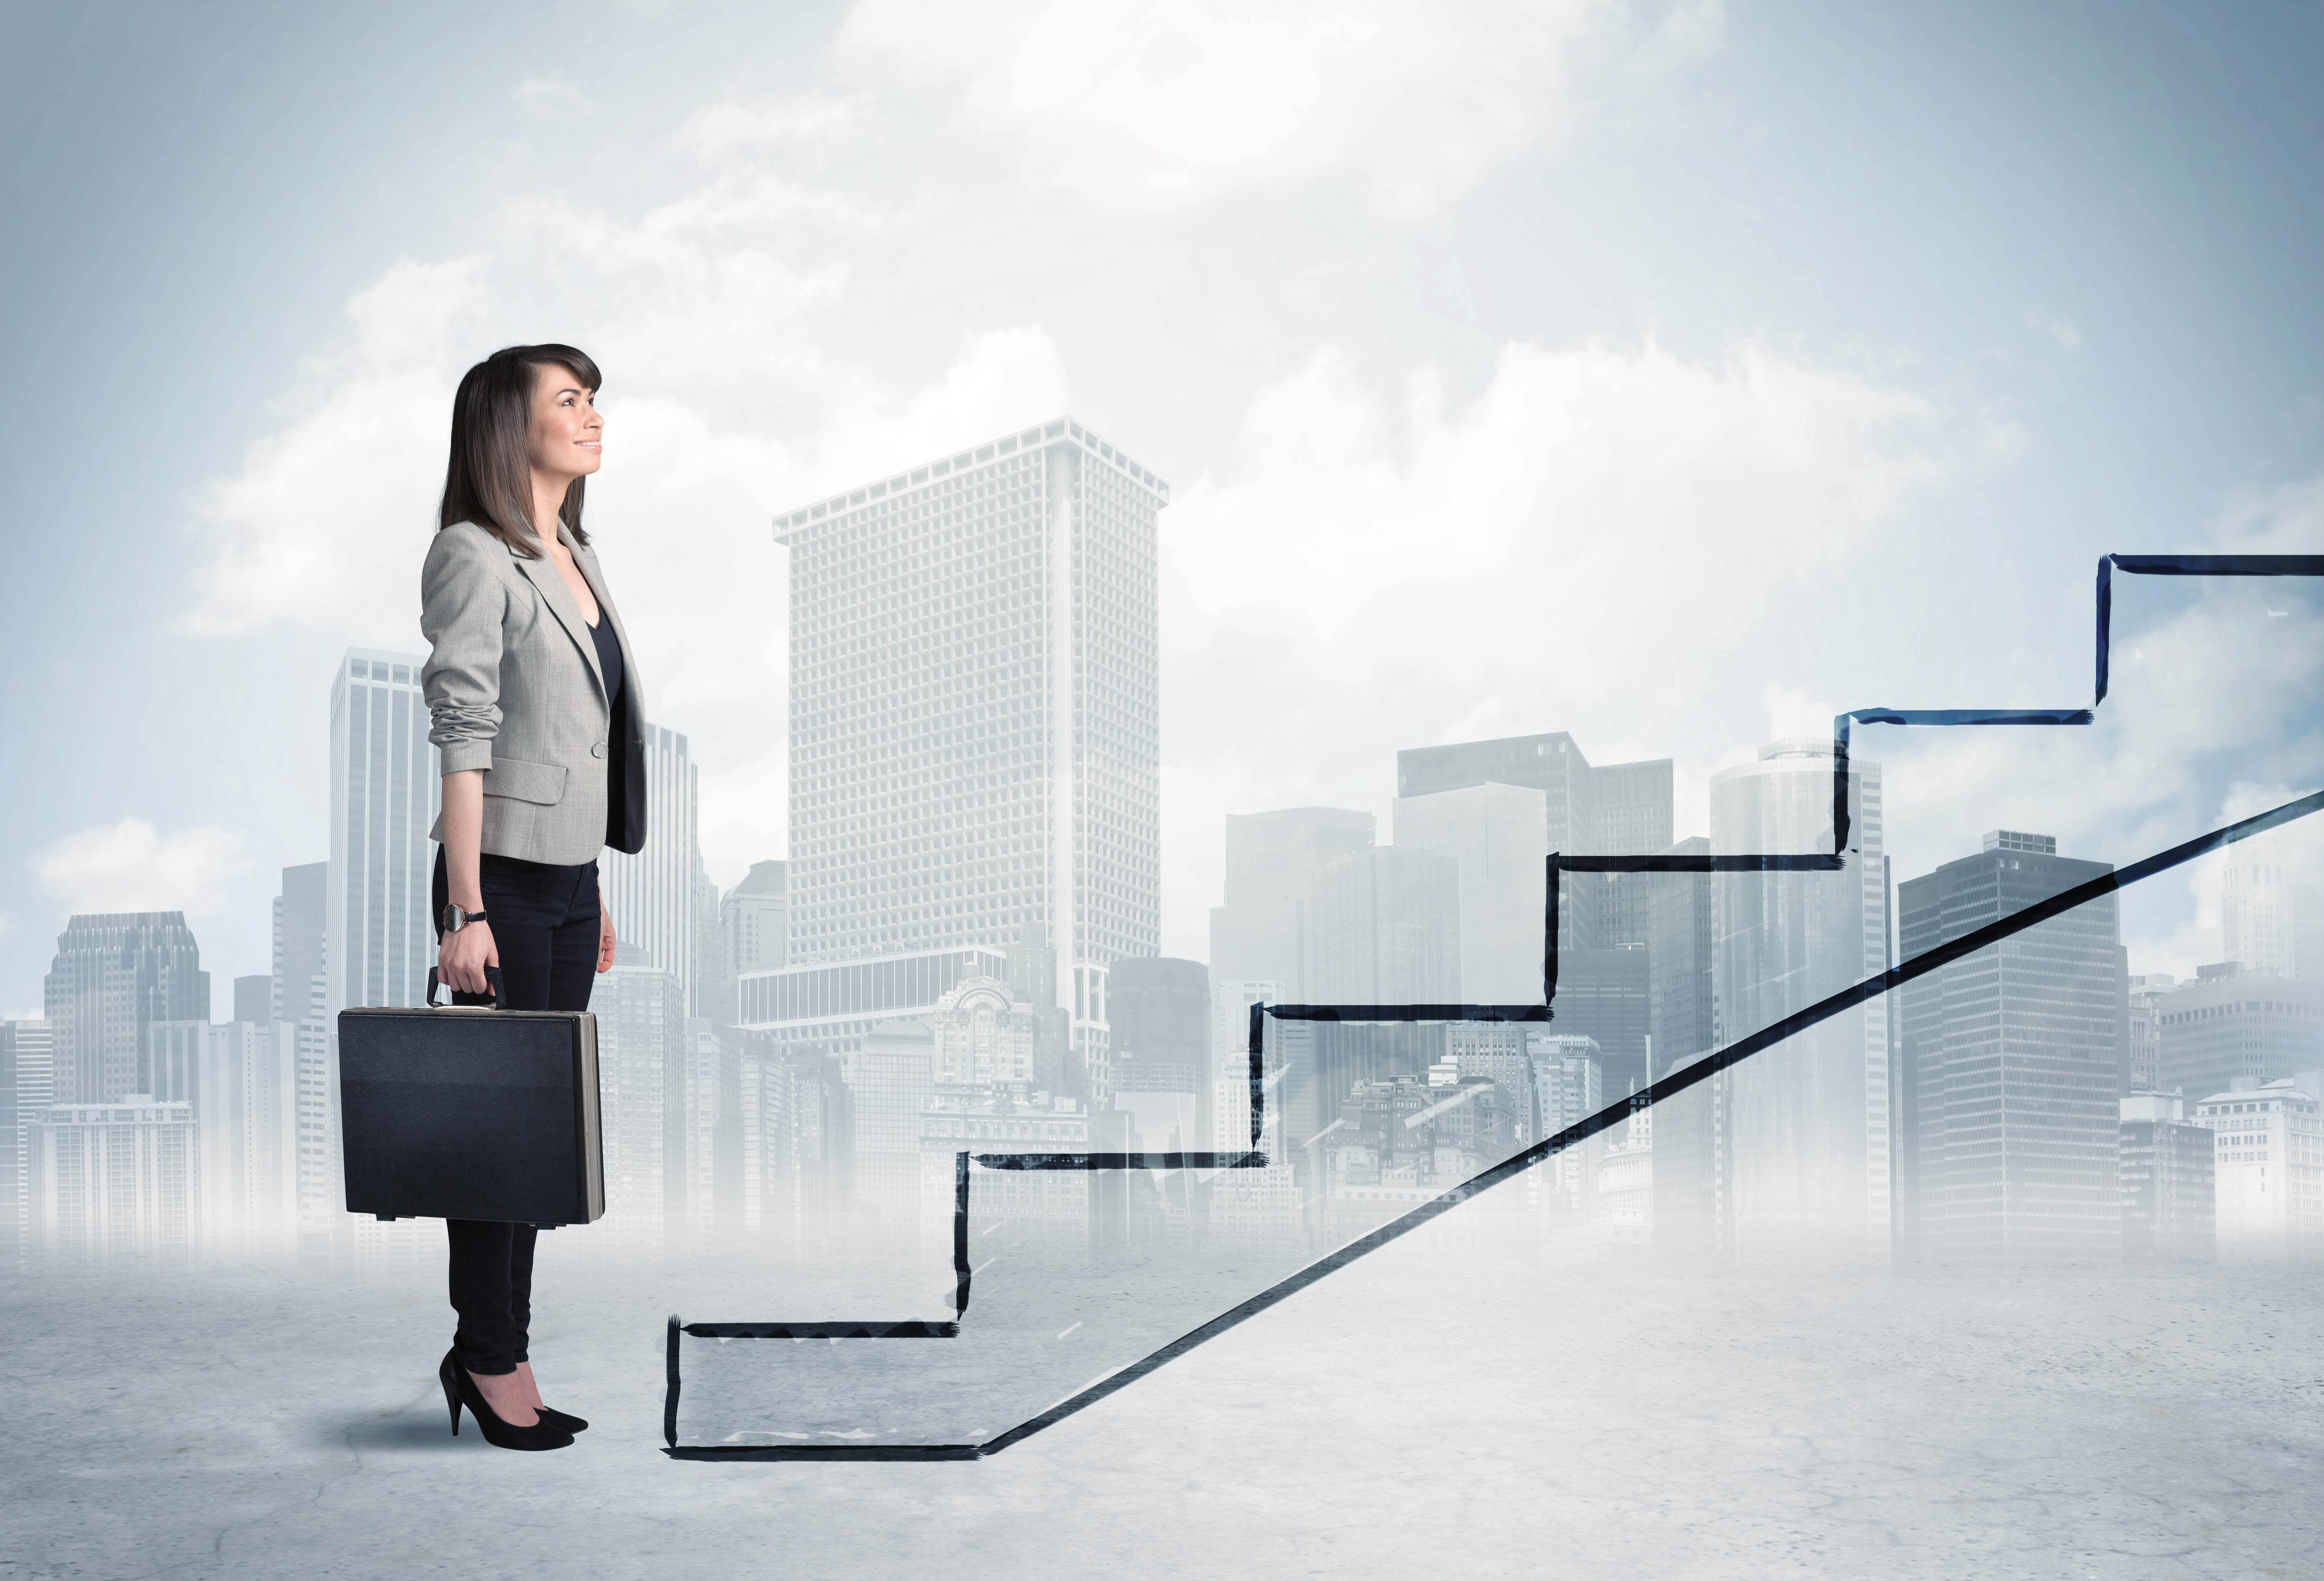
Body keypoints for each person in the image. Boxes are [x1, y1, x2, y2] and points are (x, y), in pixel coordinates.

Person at [419, 343, 647, 1452]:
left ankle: (502, 1347)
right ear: (511, 427)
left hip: (565, 878)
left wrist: (592, 878)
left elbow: (584, 739)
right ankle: (489, 1355)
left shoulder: (579, 552)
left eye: (594, 398)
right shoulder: (474, 556)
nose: (592, 415)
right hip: (496, 882)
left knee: (541, 1142)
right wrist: (465, 913)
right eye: (569, 400)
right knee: (495, 1141)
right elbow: (465, 744)